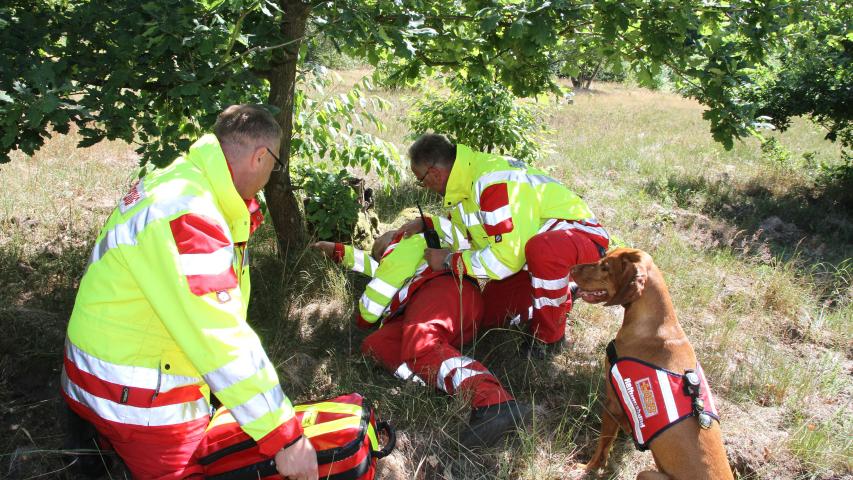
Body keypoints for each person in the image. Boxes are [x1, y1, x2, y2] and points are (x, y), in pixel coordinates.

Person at [61, 105, 318, 479]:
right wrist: (285, 436)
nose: (269, 176)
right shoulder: (192, 214)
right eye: (274, 165)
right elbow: (219, 334)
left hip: (92, 370)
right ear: (260, 156)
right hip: (136, 397)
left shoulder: (176, 180)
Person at [311, 229, 530, 448]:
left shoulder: (409, 242)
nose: (378, 254)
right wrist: (337, 251)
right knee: (375, 344)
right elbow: (369, 264)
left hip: (444, 290)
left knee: (421, 345)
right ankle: (440, 381)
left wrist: (362, 318)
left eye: (380, 249)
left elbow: (379, 290)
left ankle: (493, 401)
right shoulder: (394, 261)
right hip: (440, 308)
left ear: (395, 237)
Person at [399, 134, 610, 357]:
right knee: (488, 314)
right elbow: (465, 238)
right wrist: (428, 224)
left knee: (543, 249)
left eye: (420, 181)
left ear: (434, 173)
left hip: (580, 237)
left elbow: (505, 260)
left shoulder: (491, 183)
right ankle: (564, 291)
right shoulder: (462, 189)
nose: (423, 187)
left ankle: (549, 338)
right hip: (528, 259)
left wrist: (448, 261)